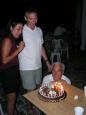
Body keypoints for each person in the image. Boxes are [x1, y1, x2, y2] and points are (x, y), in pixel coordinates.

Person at [18, 7, 52, 91]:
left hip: (38, 65)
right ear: (25, 18)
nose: (34, 21)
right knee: (30, 92)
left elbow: (41, 47)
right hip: (26, 67)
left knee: (38, 88)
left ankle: (36, 105)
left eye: (35, 18)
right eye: (31, 18)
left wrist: (47, 62)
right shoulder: (21, 31)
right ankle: (30, 105)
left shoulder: (39, 30)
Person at [0, 19, 25, 115]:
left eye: (21, 29)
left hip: (12, 72)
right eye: (18, 29)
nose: (20, 31)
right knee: (12, 100)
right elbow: (4, 60)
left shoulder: (12, 39)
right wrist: (19, 49)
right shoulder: (7, 40)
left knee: (11, 98)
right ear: (11, 28)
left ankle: (11, 110)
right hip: (8, 73)